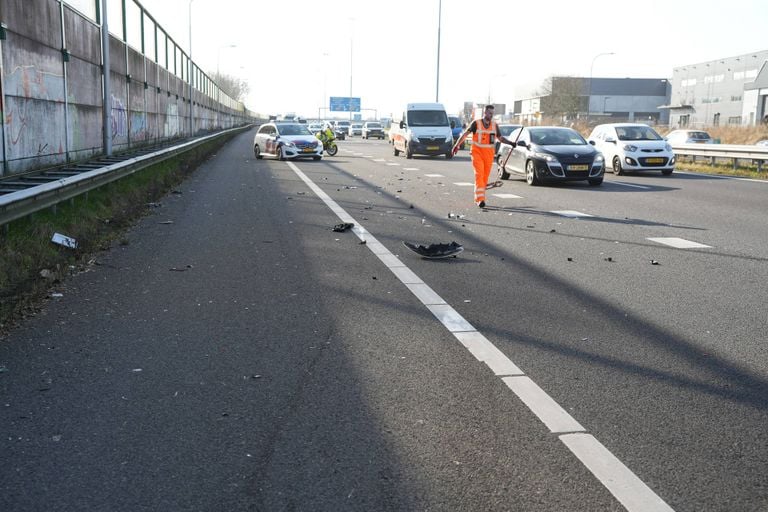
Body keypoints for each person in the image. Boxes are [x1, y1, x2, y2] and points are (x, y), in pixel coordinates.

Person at [452, 104, 517, 208]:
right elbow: (465, 134)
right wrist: (456, 145)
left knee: (484, 178)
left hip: (489, 155)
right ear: (485, 113)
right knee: (479, 174)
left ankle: (480, 197)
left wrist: (511, 143)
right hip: (477, 153)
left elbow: (500, 138)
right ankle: (480, 200)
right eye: (489, 113)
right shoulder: (476, 123)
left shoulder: (494, 125)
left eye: (492, 113)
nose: (491, 115)